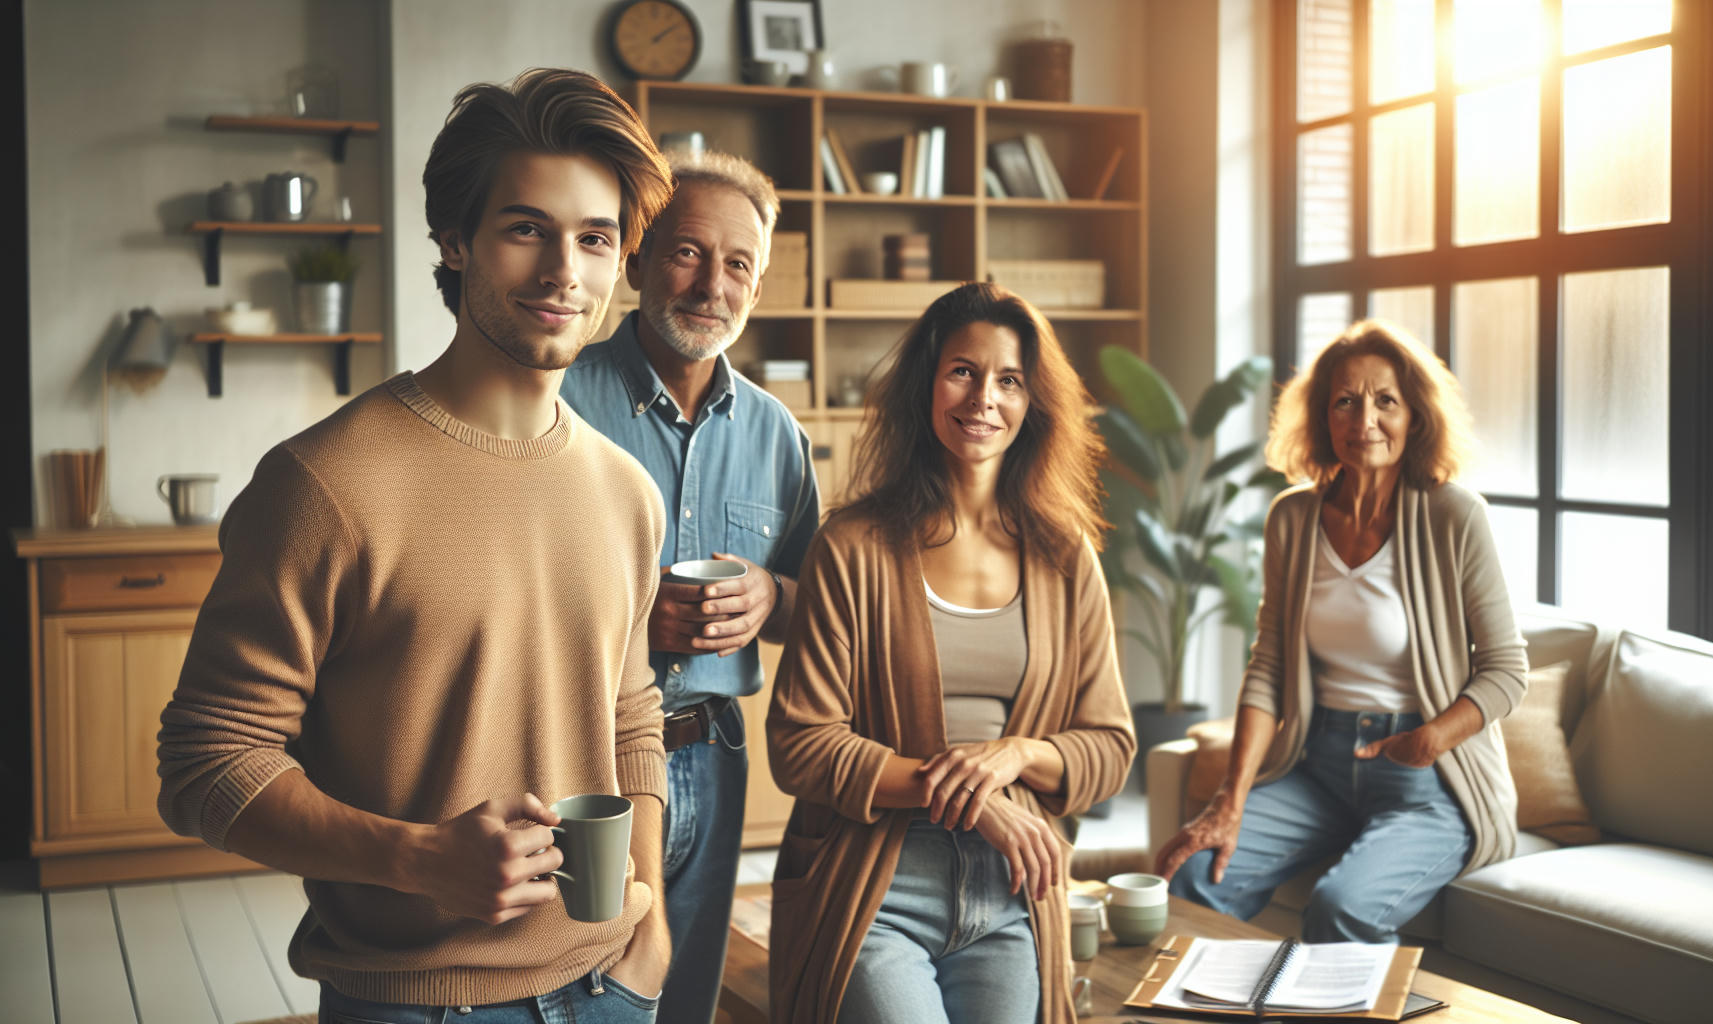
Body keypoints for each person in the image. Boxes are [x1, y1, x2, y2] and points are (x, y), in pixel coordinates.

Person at [156, 68, 677, 1022]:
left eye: (595, 239)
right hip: (413, 1004)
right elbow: (206, 762)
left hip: (613, 987)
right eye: (527, 229)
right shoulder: (324, 484)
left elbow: (631, 716)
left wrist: (649, 915)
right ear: (454, 239)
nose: (567, 271)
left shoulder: (627, 491)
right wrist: (416, 858)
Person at [764, 282, 1136, 1024]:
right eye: (963, 371)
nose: (983, 399)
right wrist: (980, 806)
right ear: (927, 384)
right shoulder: (853, 546)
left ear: (1034, 404)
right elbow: (801, 746)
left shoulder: (1067, 558)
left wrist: (1017, 756)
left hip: (1010, 896)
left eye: (1009, 380)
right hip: (877, 886)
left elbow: (1111, 747)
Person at [1152, 318, 1529, 944]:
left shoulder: (1453, 515)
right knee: (1194, 880)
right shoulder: (1293, 518)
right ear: (1323, 418)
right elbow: (1268, 667)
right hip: (1317, 763)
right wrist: (1229, 800)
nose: (1365, 421)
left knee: (1339, 909)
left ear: (1415, 415)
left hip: (1426, 774)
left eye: (1386, 401)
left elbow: (1507, 670)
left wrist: (1432, 738)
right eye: (1346, 403)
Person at [559, 149, 820, 1024]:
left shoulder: (778, 434)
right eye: (687, 253)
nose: (713, 284)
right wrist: (634, 617)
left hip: (714, 757)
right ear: (635, 259)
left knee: (685, 1000)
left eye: (738, 264)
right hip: (579, 756)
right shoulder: (558, 401)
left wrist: (771, 600)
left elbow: (813, 604)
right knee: (577, 991)